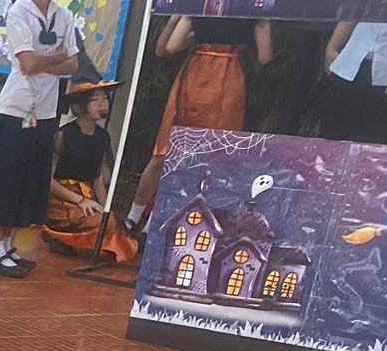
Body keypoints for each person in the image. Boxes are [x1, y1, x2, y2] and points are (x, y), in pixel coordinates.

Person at [123, 15, 273, 235]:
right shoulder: (251, 12)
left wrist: (189, 27)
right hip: (227, 81)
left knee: (164, 152)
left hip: (194, 78)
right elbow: (265, 57)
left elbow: (171, 46)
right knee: (208, 159)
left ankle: (135, 217)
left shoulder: (201, 8)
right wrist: (264, 23)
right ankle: (155, 222)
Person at [0, 0, 80, 279]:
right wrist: (57, 56)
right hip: (15, 109)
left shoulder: (64, 15)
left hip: (45, 110)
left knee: (26, 180)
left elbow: (74, 62)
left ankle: (7, 247)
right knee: (4, 179)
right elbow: (27, 64)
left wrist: (46, 61)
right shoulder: (19, 11)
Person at [43, 69, 139, 263]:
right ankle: (57, 235)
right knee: (102, 224)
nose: (103, 103)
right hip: (62, 200)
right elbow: (47, 181)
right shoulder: (64, 135)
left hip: (87, 197)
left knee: (111, 223)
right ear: (78, 108)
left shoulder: (103, 138)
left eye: (105, 98)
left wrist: (105, 209)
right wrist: (80, 200)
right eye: (95, 100)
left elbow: (97, 180)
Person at [317, 21, 387, 147]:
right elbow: (355, 11)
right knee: (330, 146)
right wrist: (332, 48)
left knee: (378, 150)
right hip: (347, 68)